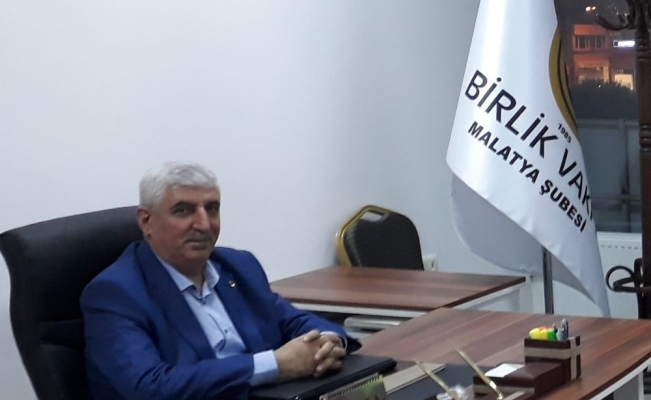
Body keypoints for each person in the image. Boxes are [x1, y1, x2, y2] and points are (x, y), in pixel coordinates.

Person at [81, 162, 360, 400]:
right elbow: (151, 386)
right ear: (146, 221)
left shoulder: (237, 266)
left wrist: (328, 342)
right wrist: (274, 365)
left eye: (212, 208)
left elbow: (292, 321)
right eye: (183, 210)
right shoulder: (115, 294)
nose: (204, 224)